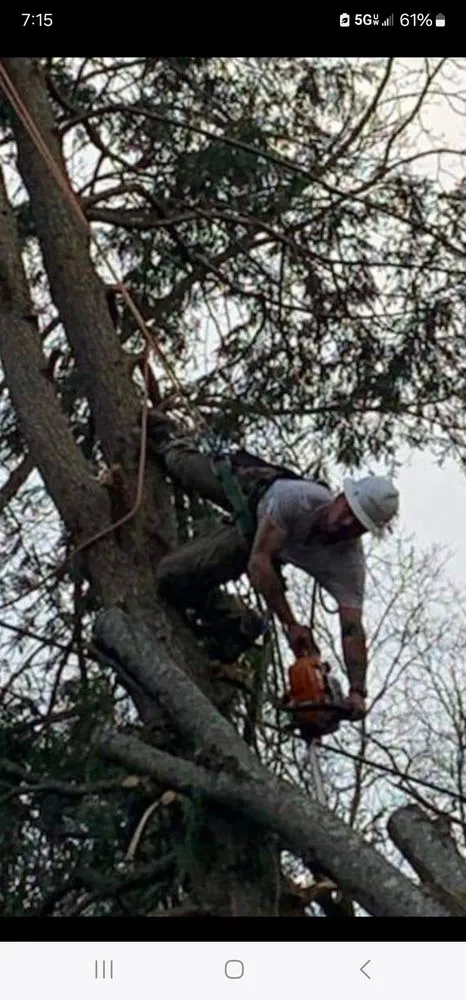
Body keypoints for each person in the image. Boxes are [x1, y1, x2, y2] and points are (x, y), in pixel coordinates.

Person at [147, 413, 399, 720]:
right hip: (250, 492)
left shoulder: (347, 563)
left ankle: (239, 622)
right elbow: (259, 563)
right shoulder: (296, 499)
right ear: (340, 497)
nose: (346, 524)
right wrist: (291, 624)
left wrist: (357, 691)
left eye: (357, 525)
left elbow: (352, 627)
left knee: (170, 575)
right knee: (179, 464)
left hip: (255, 540)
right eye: (348, 512)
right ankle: (170, 435)